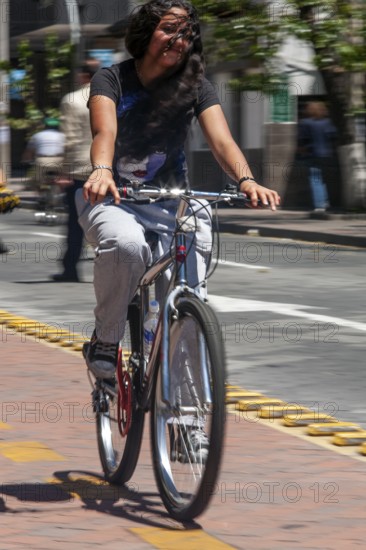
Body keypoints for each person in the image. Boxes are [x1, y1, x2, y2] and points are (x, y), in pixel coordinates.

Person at [76, 0, 280, 380]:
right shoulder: (112, 79)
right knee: (127, 246)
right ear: (145, 34)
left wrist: (246, 180)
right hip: (113, 197)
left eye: (186, 33)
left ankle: (187, 417)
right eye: (169, 29)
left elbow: (222, 141)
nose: (179, 39)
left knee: (187, 300)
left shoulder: (196, 86)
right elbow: (105, 131)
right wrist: (102, 170)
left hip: (171, 203)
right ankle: (106, 339)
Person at [52, 58, 100, 283]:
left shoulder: (72, 100)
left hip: (80, 171)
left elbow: (69, 140)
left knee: (75, 222)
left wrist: (63, 171)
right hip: (107, 170)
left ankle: (70, 268)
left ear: (83, 77)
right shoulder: (111, 98)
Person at [298, 101, 339, 210]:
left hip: (312, 154)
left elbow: (302, 139)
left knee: (315, 180)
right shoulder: (327, 122)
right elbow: (333, 135)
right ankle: (325, 202)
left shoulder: (305, 123)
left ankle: (320, 204)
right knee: (323, 179)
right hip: (326, 154)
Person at [22, 117, 65, 193]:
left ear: (44, 126)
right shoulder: (62, 136)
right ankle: (63, 193)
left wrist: (26, 161)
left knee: (35, 180)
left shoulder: (37, 135)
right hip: (59, 160)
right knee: (64, 179)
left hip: (42, 161)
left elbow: (29, 152)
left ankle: (40, 193)